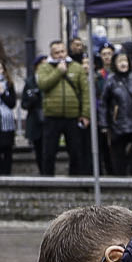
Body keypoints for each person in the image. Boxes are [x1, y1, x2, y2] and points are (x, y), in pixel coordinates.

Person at [35, 39, 92, 175]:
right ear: (51, 54)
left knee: (75, 151)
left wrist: (85, 114)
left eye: (62, 51)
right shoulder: (44, 68)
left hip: (72, 116)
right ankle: (48, 180)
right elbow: (43, 85)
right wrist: (58, 72)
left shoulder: (76, 68)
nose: (60, 55)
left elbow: (85, 92)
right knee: (49, 152)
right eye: (56, 53)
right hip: (52, 116)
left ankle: (75, 179)